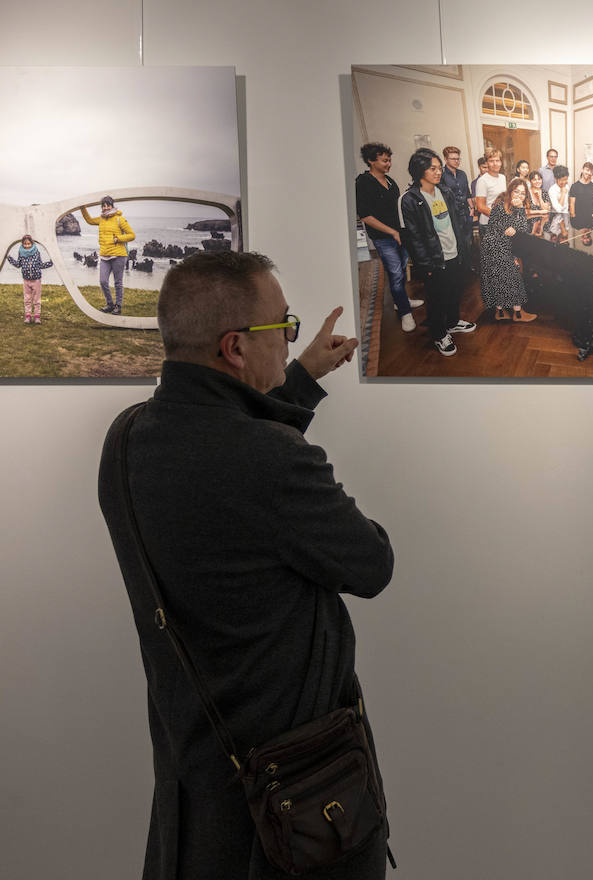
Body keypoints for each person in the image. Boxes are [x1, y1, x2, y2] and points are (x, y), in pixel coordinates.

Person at [97, 249, 393, 880]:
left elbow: (220, 448)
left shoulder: (125, 440)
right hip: (294, 800)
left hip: (196, 778)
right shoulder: (271, 459)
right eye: (282, 329)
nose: (290, 340)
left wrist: (300, 379)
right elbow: (371, 563)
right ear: (234, 347)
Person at [400, 148, 477, 356]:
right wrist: (426, 266)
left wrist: (462, 248)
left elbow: (455, 223)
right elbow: (414, 238)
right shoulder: (409, 199)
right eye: (432, 168)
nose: (438, 172)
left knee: (454, 292)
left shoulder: (445, 191)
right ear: (419, 170)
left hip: (454, 252)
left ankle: (452, 323)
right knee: (436, 299)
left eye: (439, 168)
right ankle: (438, 334)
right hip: (435, 259)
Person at [356, 142, 423, 332]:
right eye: (384, 160)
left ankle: (400, 300)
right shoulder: (363, 182)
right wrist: (392, 232)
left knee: (401, 269)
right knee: (394, 273)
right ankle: (404, 312)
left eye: (389, 160)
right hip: (383, 237)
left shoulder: (391, 181)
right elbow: (366, 216)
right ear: (371, 160)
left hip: (398, 234)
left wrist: (402, 230)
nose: (389, 164)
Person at [480, 177, 537, 323]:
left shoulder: (519, 209)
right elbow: (508, 231)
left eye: (522, 193)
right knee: (512, 278)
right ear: (510, 191)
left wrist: (519, 210)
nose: (519, 196)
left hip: (503, 246)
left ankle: (501, 312)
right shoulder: (500, 206)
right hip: (493, 247)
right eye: (516, 192)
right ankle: (518, 314)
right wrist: (518, 212)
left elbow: (523, 228)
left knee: (502, 279)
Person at [81, 195, 136, 314]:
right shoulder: (101, 219)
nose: (105, 208)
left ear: (112, 205)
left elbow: (132, 235)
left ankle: (118, 306)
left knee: (118, 282)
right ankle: (110, 304)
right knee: (103, 281)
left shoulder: (119, 219)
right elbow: (89, 220)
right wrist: (82, 207)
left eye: (108, 205)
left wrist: (119, 238)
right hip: (105, 255)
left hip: (119, 255)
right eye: (103, 205)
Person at [440, 145, 476, 272]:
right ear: (446, 159)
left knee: (468, 241)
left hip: (466, 213)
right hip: (452, 215)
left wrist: (472, 209)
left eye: (458, 159)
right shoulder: (442, 175)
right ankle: (460, 269)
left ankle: (468, 266)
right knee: (457, 242)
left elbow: (467, 193)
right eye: (453, 159)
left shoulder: (462, 174)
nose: (457, 161)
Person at [8, 234, 54, 323]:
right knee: (27, 299)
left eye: (29, 244)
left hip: (36, 280)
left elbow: (40, 265)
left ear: (32, 243)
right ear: (22, 244)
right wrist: (9, 258)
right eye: (25, 244)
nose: (27, 246)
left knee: (36, 299)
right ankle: (28, 316)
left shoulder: (36, 252)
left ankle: (37, 317)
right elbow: (18, 264)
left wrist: (51, 263)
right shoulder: (21, 253)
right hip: (26, 280)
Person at [472, 148, 507, 236]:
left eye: (497, 160)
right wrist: (499, 217)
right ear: (487, 163)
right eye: (491, 161)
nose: (495, 164)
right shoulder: (482, 181)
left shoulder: (503, 177)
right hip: (488, 224)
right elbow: (480, 207)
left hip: (501, 223)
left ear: (501, 162)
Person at [568, 162, 593, 229]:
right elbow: (571, 205)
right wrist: (573, 218)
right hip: (577, 222)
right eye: (587, 170)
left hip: (591, 221)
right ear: (582, 170)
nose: (589, 173)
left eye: (591, 171)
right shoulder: (574, 186)